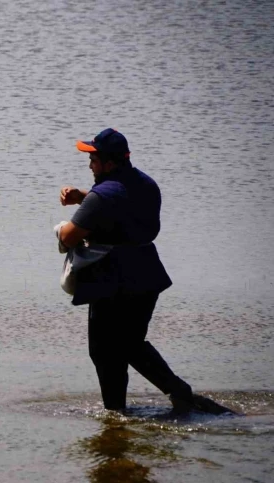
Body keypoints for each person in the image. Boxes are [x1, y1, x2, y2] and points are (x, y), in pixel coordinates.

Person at [58, 128, 232, 415]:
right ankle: (176, 394)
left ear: (110, 163)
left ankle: (119, 411)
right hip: (146, 275)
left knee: (104, 350)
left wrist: (64, 225)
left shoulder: (100, 199)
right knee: (129, 344)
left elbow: (69, 238)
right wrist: (85, 198)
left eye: (94, 159)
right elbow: (121, 201)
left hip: (111, 279)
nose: (90, 165)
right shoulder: (147, 185)